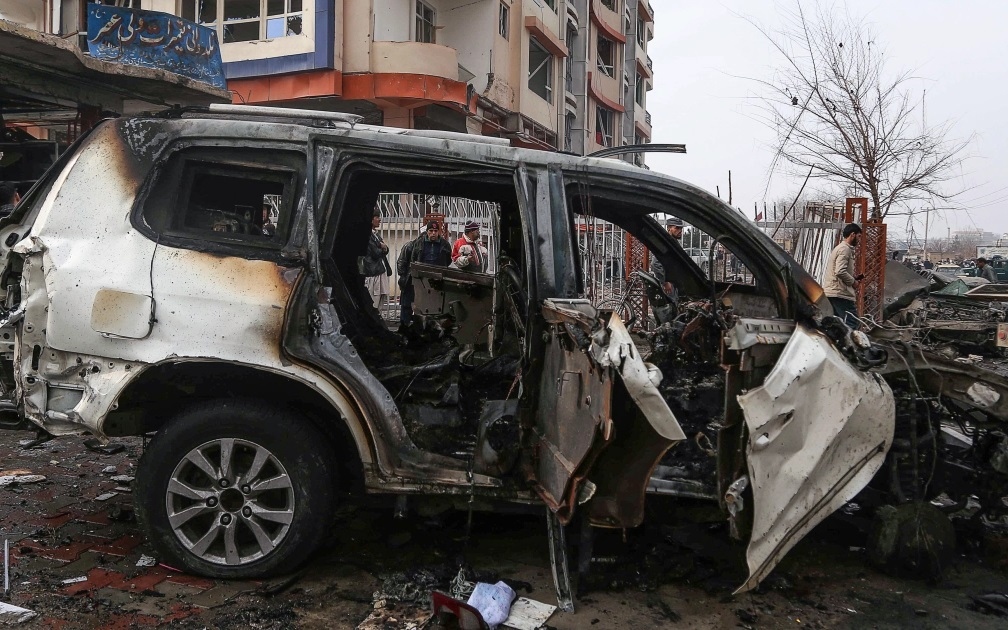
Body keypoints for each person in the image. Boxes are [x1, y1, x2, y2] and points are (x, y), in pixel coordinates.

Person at [397, 219, 452, 328]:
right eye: (431, 230)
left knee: (433, 308)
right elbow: (405, 262)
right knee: (408, 305)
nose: (433, 233)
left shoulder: (444, 245)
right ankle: (405, 328)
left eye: (435, 231)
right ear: (427, 231)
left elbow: (448, 260)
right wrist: (405, 276)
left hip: (436, 280)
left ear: (439, 232)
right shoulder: (417, 244)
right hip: (417, 279)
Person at [823, 223, 864, 324]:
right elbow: (840, 271)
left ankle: (836, 339)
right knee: (853, 323)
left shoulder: (840, 248)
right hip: (840, 292)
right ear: (852, 234)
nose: (859, 240)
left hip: (834, 291)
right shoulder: (845, 249)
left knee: (837, 324)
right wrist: (853, 282)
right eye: (859, 236)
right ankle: (849, 339)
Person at [361, 209, 391, 311]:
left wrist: (383, 248)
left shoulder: (375, 235)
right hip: (373, 273)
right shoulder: (368, 235)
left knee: (379, 302)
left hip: (379, 271)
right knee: (373, 301)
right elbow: (376, 253)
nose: (379, 219)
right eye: (377, 217)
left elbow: (385, 249)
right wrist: (382, 248)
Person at [650, 217, 684, 296]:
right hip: (668, 285)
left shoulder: (673, 243)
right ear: (669, 228)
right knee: (668, 306)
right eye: (677, 228)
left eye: (681, 228)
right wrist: (665, 282)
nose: (680, 231)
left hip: (673, 283)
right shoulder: (665, 243)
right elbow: (655, 264)